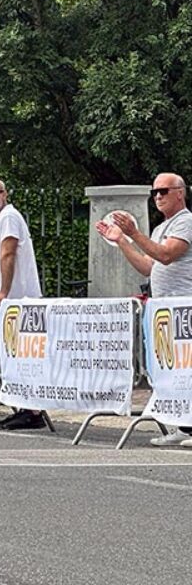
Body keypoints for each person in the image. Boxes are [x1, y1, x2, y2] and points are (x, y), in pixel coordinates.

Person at [97, 173, 192, 447]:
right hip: (166, 309)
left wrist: (133, 233)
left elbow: (166, 255)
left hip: (184, 306)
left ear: (179, 193)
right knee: (175, 369)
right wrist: (122, 241)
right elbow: (149, 267)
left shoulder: (185, 222)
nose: (158, 196)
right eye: (155, 192)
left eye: (164, 191)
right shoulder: (161, 228)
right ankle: (183, 425)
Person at [0, 179, 44, 430]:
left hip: (20, 299)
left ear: (4, 194)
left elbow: (8, 253)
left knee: (24, 354)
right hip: (6, 302)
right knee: (11, 355)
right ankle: (23, 406)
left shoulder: (10, 217)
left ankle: (33, 410)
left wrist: (3, 291)